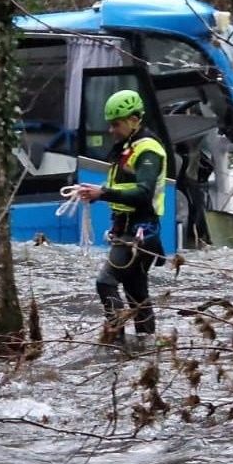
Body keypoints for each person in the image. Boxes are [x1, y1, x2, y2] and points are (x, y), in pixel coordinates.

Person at [75, 89, 167, 351]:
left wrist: (102, 193)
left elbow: (143, 193)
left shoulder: (149, 150)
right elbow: (125, 186)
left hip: (140, 232)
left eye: (116, 123)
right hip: (128, 230)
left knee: (105, 282)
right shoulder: (129, 147)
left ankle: (116, 343)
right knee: (137, 296)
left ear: (135, 119)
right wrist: (95, 193)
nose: (111, 130)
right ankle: (146, 349)